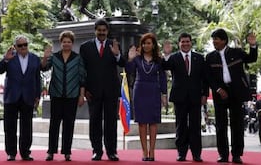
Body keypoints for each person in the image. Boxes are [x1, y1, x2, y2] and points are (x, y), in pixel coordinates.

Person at [205, 29, 257, 164]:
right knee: (220, 125)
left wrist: (252, 46)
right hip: (219, 94)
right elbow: (208, 77)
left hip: (236, 93)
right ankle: (223, 154)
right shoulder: (210, 57)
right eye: (213, 39)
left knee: (237, 124)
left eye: (216, 39)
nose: (214, 42)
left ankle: (236, 155)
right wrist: (217, 89)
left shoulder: (237, 52)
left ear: (224, 40)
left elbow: (252, 59)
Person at [79, 19, 126, 161]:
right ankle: (97, 151)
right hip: (92, 92)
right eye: (99, 30)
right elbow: (82, 70)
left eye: (104, 30)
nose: (101, 33)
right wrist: (85, 89)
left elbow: (123, 63)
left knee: (111, 122)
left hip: (111, 91)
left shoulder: (114, 44)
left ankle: (112, 151)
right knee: (94, 122)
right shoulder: (85, 47)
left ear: (107, 31)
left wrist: (117, 54)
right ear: (95, 31)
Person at [0, 35, 42, 161]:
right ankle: (11, 153)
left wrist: (37, 95)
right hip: (12, 97)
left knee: (27, 127)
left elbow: (38, 78)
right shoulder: (10, 58)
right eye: (20, 45)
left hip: (28, 96)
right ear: (15, 47)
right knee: (10, 127)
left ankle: (25, 152)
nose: (23, 47)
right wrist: (5, 60)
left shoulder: (35, 59)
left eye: (25, 44)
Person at [162, 33, 208, 162]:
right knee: (180, 125)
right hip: (179, 97)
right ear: (179, 44)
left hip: (195, 97)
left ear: (191, 43)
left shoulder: (199, 58)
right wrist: (166, 54)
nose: (185, 44)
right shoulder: (174, 58)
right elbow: (165, 66)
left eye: (187, 41)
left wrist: (205, 94)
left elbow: (205, 78)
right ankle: (181, 152)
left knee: (195, 125)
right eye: (183, 42)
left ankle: (196, 154)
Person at [42, 31, 86, 161]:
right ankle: (51, 151)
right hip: (56, 94)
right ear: (61, 43)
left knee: (69, 124)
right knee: (54, 124)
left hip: (72, 95)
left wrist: (81, 95)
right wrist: (45, 57)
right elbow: (44, 68)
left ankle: (67, 152)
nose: (66, 44)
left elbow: (82, 77)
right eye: (64, 42)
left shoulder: (78, 58)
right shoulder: (54, 57)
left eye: (69, 42)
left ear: (72, 43)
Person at [125, 33, 167, 161]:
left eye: (149, 43)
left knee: (153, 122)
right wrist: (130, 59)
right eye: (144, 43)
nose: (146, 45)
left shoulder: (159, 60)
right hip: (140, 91)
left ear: (153, 45)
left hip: (154, 90)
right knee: (142, 123)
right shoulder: (137, 59)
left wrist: (164, 94)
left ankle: (152, 151)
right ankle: (144, 152)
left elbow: (163, 78)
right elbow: (129, 71)